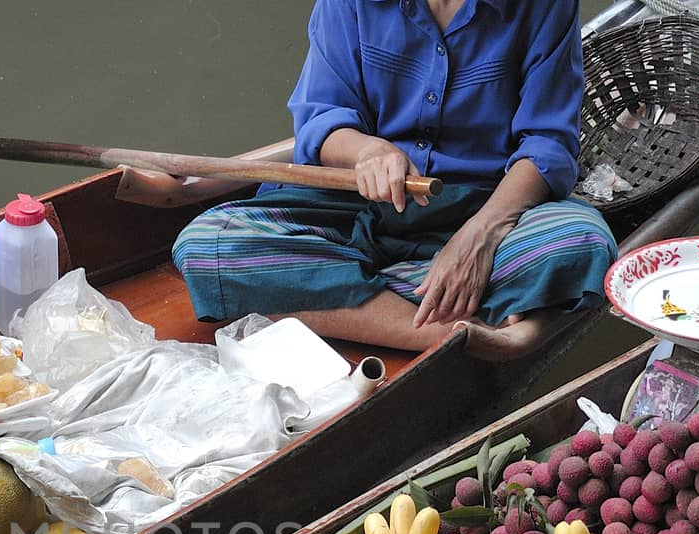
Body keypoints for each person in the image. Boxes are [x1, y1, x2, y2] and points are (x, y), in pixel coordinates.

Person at [172, 0, 616, 360]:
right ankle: (449, 329)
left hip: (486, 207)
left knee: (581, 242)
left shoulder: (546, 5)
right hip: (354, 207)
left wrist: (479, 237)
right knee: (208, 243)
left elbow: (548, 143)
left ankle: (329, 294)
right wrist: (368, 151)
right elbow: (321, 118)